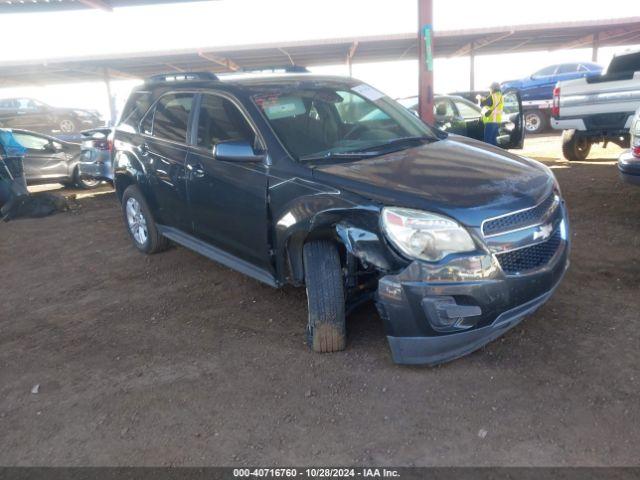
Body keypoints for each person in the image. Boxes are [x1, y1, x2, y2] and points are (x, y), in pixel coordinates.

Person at [479, 82, 504, 146]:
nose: (490, 90)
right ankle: (495, 154)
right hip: (498, 121)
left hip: (490, 121)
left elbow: (482, 104)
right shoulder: (501, 96)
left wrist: (480, 98)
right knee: (494, 141)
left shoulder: (492, 96)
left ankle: (488, 155)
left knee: (488, 142)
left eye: (490, 88)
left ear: (493, 89)